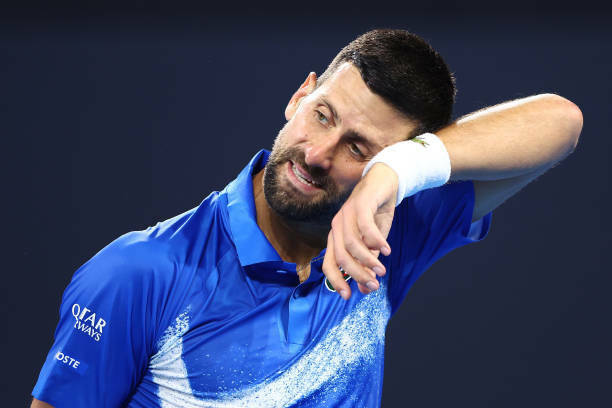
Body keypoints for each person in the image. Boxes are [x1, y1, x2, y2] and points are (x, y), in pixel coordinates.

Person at [31, 29, 582, 408]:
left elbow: (561, 122)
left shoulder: (387, 231)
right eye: (322, 115)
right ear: (300, 95)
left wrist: (395, 173)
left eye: (358, 148)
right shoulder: (139, 272)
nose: (317, 155)